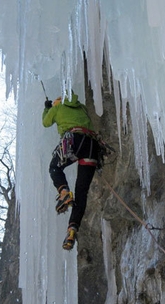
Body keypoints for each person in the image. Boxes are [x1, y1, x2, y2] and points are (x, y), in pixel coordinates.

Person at [42, 92, 100, 250]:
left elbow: (46, 123)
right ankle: (72, 230)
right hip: (92, 146)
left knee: (54, 167)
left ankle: (64, 192)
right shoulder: (80, 106)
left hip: (73, 141)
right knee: (81, 192)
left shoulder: (57, 107)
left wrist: (48, 108)